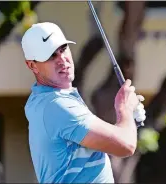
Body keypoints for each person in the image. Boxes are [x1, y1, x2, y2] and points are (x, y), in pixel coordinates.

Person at [21, 22, 146, 183]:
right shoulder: (58, 105)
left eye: (63, 48)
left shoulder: (45, 99)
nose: (62, 60)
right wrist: (125, 110)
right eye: (51, 55)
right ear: (32, 65)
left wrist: (128, 123)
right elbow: (125, 146)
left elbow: (107, 139)